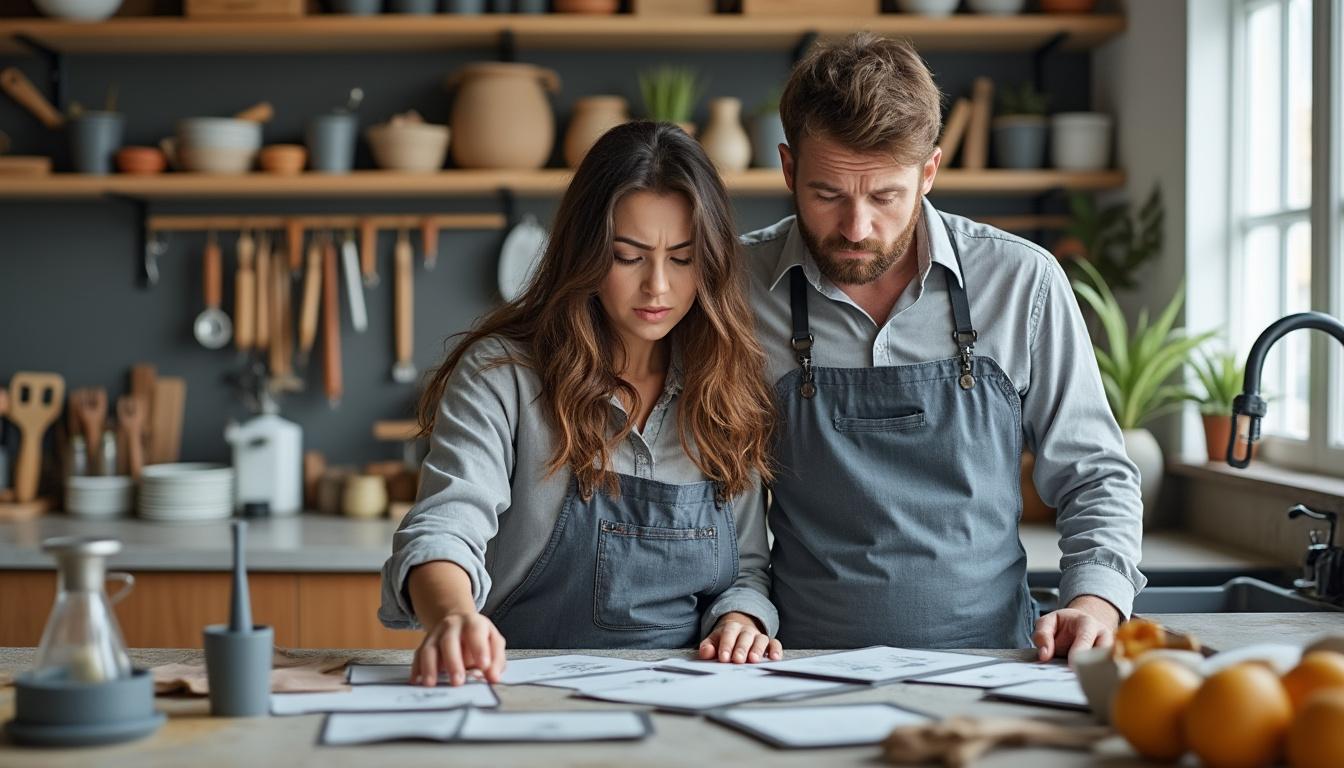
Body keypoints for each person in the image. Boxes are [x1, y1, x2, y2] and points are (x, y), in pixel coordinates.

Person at [743, 33, 1147, 660]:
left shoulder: (1022, 282)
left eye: (885, 197)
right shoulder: (738, 288)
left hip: (994, 664)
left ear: (929, 172)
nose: (856, 228)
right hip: (795, 665)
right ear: (789, 167)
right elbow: (714, 490)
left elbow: (1095, 473)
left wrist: (1094, 599)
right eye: (827, 195)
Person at [379, 121, 783, 687]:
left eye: (684, 259)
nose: (658, 288)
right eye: (628, 256)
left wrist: (740, 618)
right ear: (586, 253)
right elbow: (446, 527)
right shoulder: (505, 376)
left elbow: (746, 569)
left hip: (688, 698)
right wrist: (453, 617)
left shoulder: (725, 385)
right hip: (522, 693)